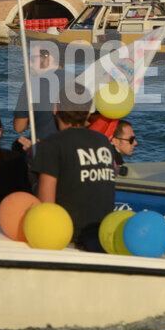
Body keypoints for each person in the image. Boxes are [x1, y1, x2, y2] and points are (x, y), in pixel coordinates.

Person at [32, 90, 116, 249]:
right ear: (87, 112)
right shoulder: (103, 141)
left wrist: (36, 165)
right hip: (102, 235)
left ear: (56, 109)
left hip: (68, 238)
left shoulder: (52, 145)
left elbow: (45, 205)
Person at [13, 43, 66, 150]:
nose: (29, 65)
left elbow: (19, 127)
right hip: (72, 147)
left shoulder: (31, 85)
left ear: (48, 58)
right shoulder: (77, 81)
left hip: (41, 147)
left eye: (33, 60)